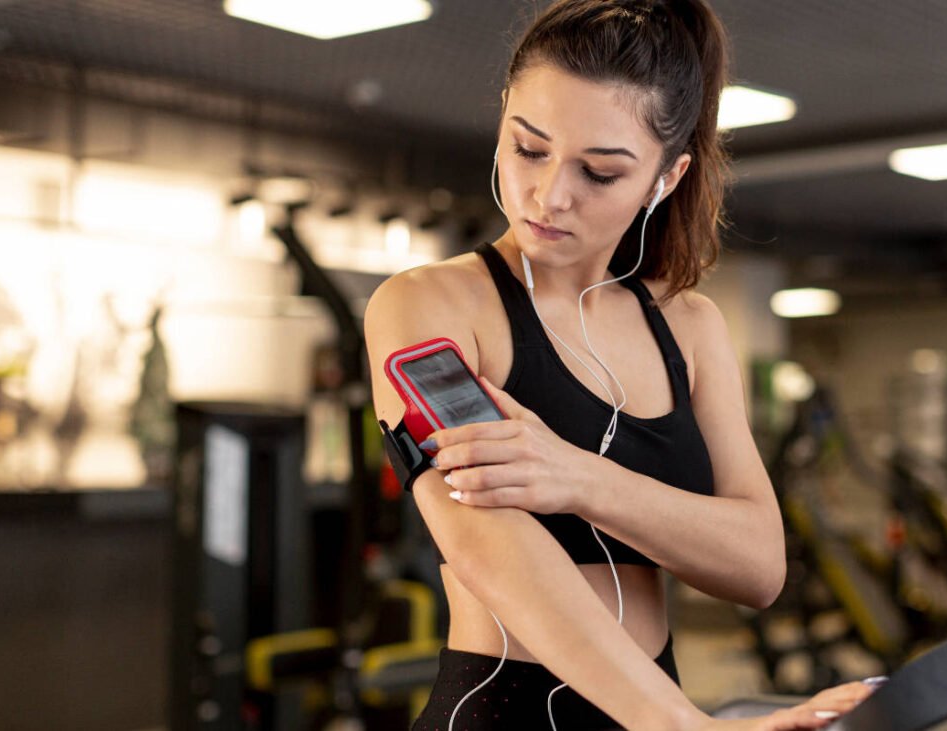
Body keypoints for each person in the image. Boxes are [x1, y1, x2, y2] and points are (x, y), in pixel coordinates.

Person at [364, 1, 875, 728]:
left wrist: (579, 477)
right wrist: (684, 725)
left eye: (600, 172)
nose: (549, 195)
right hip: (505, 708)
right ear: (505, 114)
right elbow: (486, 542)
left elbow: (758, 564)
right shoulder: (430, 306)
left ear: (666, 177)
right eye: (528, 148)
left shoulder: (690, 328)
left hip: (658, 704)